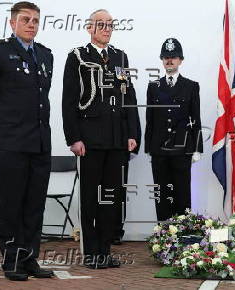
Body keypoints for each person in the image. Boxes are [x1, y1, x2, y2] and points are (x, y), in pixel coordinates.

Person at [0, 1, 54, 281]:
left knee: (34, 203)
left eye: (35, 20)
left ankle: (30, 258)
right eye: (26, 19)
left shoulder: (45, 55)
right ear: (12, 23)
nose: (31, 24)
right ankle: (11, 260)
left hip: (40, 143)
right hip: (9, 142)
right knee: (11, 203)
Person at [62, 9, 140, 269]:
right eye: (101, 25)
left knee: (110, 197)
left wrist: (132, 133)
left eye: (109, 25)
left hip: (117, 140)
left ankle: (106, 250)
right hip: (90, 140)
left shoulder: (120, 57)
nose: (106, 29)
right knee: (90, 198)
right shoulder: (77, 57)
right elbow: (69, 100)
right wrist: (73, 138)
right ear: (89, 28)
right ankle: (91, 252)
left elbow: (129, 97)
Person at [145, 38, 203, 222]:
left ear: (181, 60)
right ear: (162, 60)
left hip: (182, 149)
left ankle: (182, 235)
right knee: (162, 194)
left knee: (182, 193)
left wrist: (197, 148)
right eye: (166, 57)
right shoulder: (153, 87)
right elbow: (150, 119)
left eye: (174, 57)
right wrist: (149, 147)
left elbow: (196, 118)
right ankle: (162, 236)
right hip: (159, 150)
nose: (170, 60)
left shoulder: (191, 86)